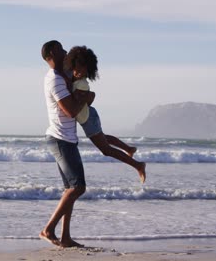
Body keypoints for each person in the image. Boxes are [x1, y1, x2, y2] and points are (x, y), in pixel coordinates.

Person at [39, 40, 95, 248]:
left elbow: (81, 92)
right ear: (53, 52)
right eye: (62, 50)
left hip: (67, 138)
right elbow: (70, 110)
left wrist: (86, 94)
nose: (66, 52)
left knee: (69, 190)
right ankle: (48, 229)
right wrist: (85, 96)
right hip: (60, 139)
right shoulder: (54, 80)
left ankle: (65, 237)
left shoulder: (63, 74)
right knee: (78, 187)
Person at [64, 46, 146, 183]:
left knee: (106, 149)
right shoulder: (73, 77)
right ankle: (129, 148)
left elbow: (76, 102)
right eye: (76, 68)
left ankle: (138, 165)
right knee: (104, 138)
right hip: (89, 116)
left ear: (88, 70)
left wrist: (88, 95)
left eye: (82, 69)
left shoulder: (82, 84)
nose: (78, 72)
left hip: (89, 118)